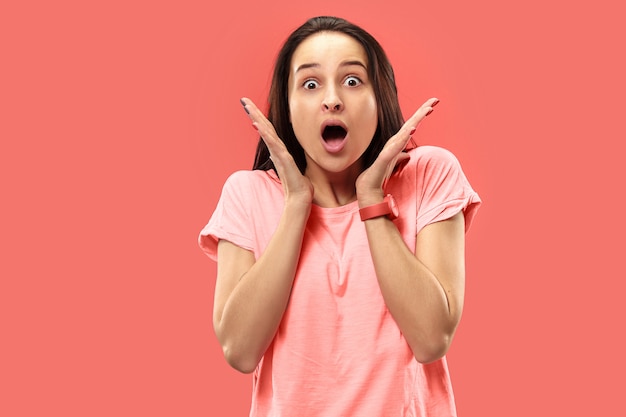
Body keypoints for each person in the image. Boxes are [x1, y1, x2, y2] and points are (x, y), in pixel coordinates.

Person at [199, 16, 481, 416]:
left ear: (378, 98)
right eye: (310, 85)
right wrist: (297, 204)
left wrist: (371, 200)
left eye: (352, 81)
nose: (332, 99)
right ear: (289, 107)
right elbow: (240, 351)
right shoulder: (247, 195)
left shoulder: (428, 174)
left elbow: (431, 337)